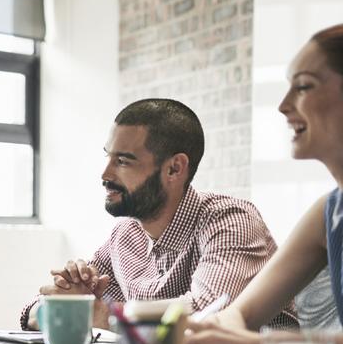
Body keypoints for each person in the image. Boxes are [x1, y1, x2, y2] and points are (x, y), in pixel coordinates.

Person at [18, 98, 296, 330]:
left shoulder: (231, 220)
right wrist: (62, 303)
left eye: (123, 161)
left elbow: (205, 312)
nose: (105, 174)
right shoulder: (125, 234)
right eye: (108, 157)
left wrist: (101, 316)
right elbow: (35, 310)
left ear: (175, 168)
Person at [184, 24, 343, 344]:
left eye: (303, 86)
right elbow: (240, 311)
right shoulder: (327, 213)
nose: (284, 106)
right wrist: (217, 333)